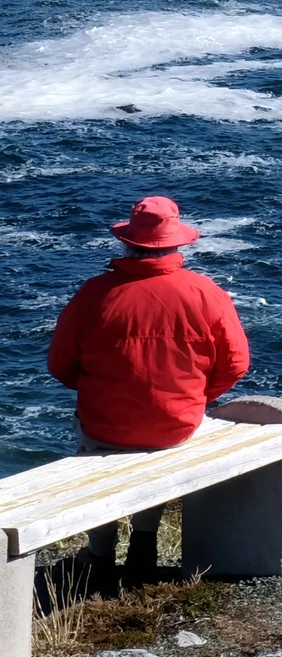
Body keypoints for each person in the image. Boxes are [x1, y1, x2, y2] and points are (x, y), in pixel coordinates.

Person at [47, 195, 250, 583]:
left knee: (97, 455)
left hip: (104, 425)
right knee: (156, 446)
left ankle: (100, 557)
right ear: (176, 243)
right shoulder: (205, 292)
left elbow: (60, 365)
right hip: (177, 425)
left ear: (128, 243)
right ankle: (144, 543)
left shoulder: (94, 294)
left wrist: (99, 388)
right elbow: (236, 363)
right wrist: (196, 398)